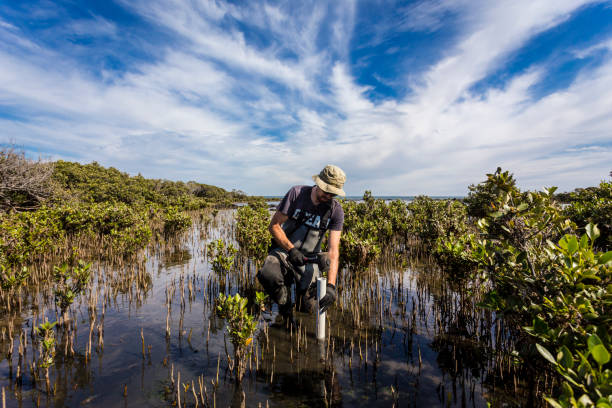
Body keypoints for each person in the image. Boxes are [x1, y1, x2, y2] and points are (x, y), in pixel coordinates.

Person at [257, 164, 346, 320]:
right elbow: (274, 226)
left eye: (333, 194)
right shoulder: (296, 194)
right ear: (318, 184)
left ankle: (300, 301)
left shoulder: (336, 211)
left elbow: (333, 251)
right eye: (326, 191)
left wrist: (331, 286)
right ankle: (284, 307)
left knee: (310, 308)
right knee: (268, 274)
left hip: (309, 260)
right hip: (284, 252)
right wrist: (292, 250)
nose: (329, 196)